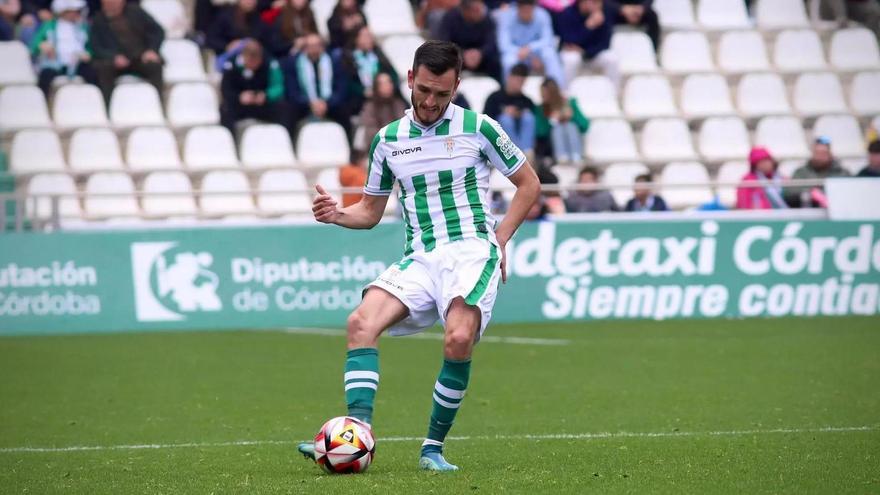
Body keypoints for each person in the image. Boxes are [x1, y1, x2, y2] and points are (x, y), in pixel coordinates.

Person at [299, 40, 540, 472]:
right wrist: (338, 214)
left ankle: (432, 448)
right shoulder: (387, 140)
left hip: (471, 251)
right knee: (360, 322)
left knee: (459, 339)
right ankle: (354, 435)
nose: (430, 101)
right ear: (410, 79)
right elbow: (370, 212)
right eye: (424, 90)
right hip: (420, 257)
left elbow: (529, 184)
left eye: (442, 94)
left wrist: (500, 239)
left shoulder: (478, 127)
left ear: (457, 87)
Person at [89, 0, 164, 103]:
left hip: (139, 57)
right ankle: (108, 106)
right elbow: (95, 46)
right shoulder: (98, 20)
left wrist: (152, 50)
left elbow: (158, 31)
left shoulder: (136, 12)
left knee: (155, 66)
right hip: (114, 61)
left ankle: (157, 103)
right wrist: (113, 57)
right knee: (103, 69)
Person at [283, 33, 350, 134]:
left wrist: (327, 103)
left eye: (317, 45)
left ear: (322, 47)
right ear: (304, 48)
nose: (314, 49)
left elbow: (341, 88)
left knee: (344, 110)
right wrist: (310, 103)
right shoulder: (294, 63)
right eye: (310, 46)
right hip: (305, 104)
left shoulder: (334, 61)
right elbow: (292, 91)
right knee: (289, 112)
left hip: (329, 103)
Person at [29, 0, 98, 97]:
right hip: (54, 63)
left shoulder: (83, 27)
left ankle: (93, 101)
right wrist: (43, 46)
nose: (76, 14)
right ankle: (42, 104)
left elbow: (90, 48)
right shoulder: (49, 25)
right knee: (45, 76)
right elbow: (34, 45)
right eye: (73, 11)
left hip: (77, 64)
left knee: (92, 73)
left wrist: (87, 54)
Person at [219, 40, 288, 136]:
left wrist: (266, 95)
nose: (253, 65)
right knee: (225, 109)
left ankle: (280, 139)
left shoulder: (270, 64)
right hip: (240, 105)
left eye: (256, 61)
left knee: (284, 108)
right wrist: (239, 97)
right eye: (250, 61)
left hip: (261, 103)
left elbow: (278, 87)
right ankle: (230, 141)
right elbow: (226, 90)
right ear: (244, 56)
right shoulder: (231, 66)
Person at [496, 0, 564, 85]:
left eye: (529, 9)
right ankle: (509, 92)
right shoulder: (506, 16)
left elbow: (548, 40)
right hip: (516, 53)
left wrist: (530, 49)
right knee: (508, 61)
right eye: (523, 9)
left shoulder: (542, 15)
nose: (526, 12)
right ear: (517, 7)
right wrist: (521, 52)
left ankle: (558, 89)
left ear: (534, 7)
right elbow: (503, 45)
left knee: (550, 54)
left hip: (537, 53)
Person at [556, 0, 620, 90]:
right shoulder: (567, 13)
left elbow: (605, 44)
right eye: (593, 2)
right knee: (571, 59)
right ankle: (565, 93)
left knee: (612, 59)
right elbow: (569, 41)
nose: (596, 6)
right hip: (573, 53)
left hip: (591, 53)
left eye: (598, 3)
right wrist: (588, 27)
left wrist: (586, 52)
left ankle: (613, 93)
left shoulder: (603, 14)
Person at [338, 25, 398, 117]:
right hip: (359, 99)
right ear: (356, 39)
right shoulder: (348, 58)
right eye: (365, 36)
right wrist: (363, 91)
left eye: (370, 36)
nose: (369, 39)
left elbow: (393, 75)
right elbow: (347, 83)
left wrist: (386, 86)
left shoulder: (378, 55)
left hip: (383, 96)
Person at [437, 0, 502, 82]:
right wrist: (462, 54)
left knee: (495, 60)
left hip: (481, 56)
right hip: (458, 55)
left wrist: (480, 53)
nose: (480, 12)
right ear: (465, 11)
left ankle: (498, 87)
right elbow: (444, 42)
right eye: (476, 10)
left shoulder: (486, 19)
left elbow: (491, 42)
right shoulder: (450, 18)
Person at [207, 0, 279, 69]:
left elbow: (268, 42)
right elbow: (211, 39)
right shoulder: (226, 16)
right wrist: (227, 46)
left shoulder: (260, 19)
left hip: (255, 62)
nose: (249, 1)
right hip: (230, 59)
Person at [483, 63, 536, 157]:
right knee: (505, 119)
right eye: (517, 80)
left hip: (522, 137)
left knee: (528, 117)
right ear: (509, 78)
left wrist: (519, 114)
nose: (520, 84)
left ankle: (527, 152)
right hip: (500, 142)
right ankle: (515, 154)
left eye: (522, 81)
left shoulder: (526, 100)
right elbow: (485, 119)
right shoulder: (494, 98)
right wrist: (503, 112)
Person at [784, 136, 851, 207]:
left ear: (830, 154)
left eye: (823, 153)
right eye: (817, 153)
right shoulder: (801, 172)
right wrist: (809, 194)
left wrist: (824, 195)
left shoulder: (842, 173)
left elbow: (850, 193)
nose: (820, 157)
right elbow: (789, 193)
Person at [534, 77, 589, 163]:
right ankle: (561, 157)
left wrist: (572, 116)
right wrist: (552, 121)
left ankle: (576, 155)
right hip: (550, 147)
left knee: (570, 126)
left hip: (571, 136)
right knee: (557, 128)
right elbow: (540, 132)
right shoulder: (540, 109)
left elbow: (585, 126)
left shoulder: (570, 103)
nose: (543, 96)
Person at [357, 72, 407, 151]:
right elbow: (370, 132)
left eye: (389, 82)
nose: (387, 86)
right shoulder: (369, 107)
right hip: (377, 149)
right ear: (377, 87)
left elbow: (405, 126)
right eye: (383, 83)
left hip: (399, 147)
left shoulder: (398, 104)